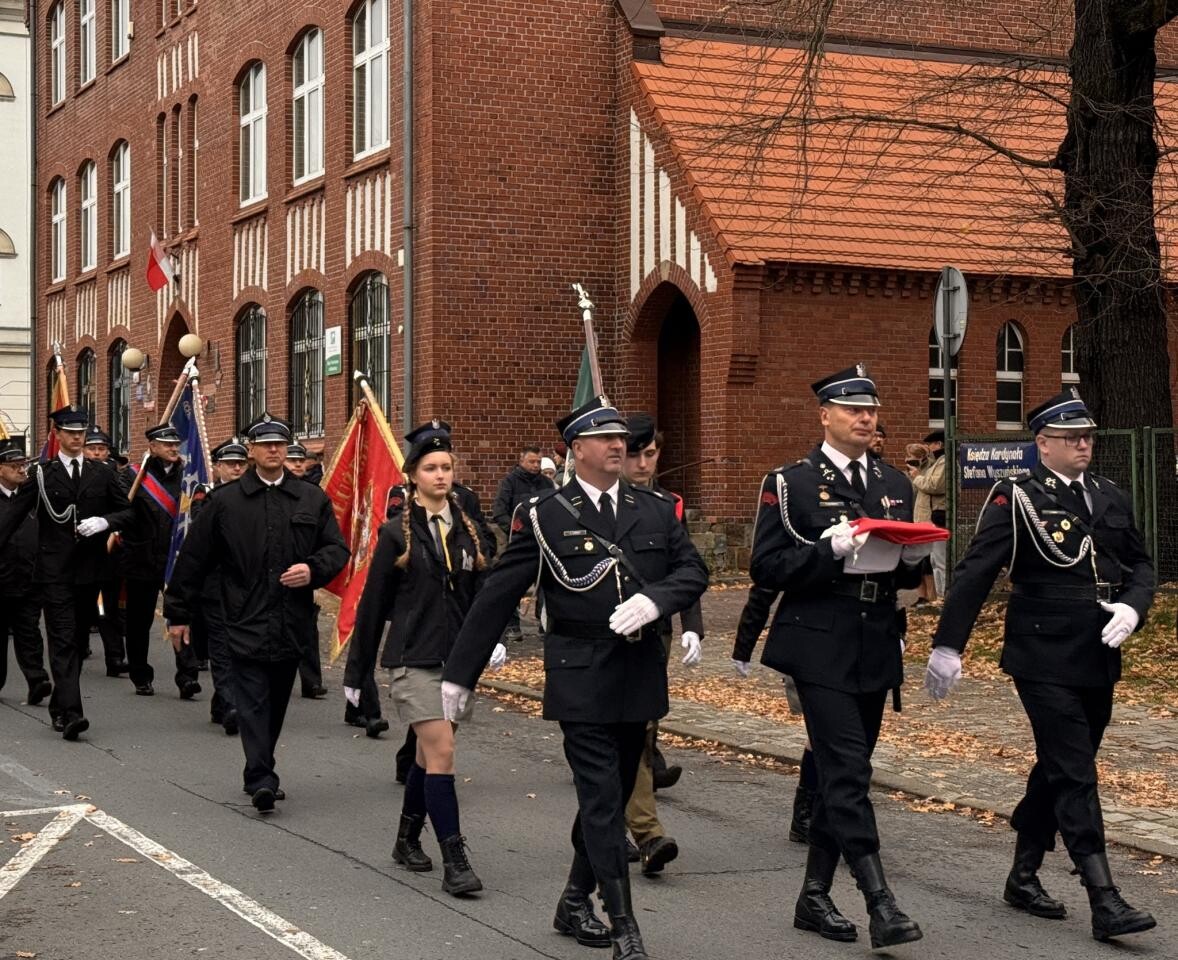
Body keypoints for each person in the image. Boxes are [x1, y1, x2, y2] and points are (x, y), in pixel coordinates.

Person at [441, 395, 709, 960]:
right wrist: (460, 675)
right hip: (580, 673)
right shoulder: (544, 514)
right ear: (576, 449)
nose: (619, 446)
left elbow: (692, 571)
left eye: (623, 439)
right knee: (601, 797)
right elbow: (498, 594)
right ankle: (624, 927)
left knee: (606, 796)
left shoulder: (655, 509)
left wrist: (656, 603)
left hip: (638, 674)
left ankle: (571, 899)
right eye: (605, 438)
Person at [926, 388, 1156, 943]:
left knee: (1061, 764)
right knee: (1075, 769)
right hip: (1042, 654)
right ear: (1043, 444)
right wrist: (948, 644)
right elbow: (978, 570)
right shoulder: (1019, 497)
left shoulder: (1107, 494)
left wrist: (1133, 607)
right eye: (1071, 437)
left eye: (1088, 436)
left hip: (1098, 651)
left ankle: (1023, 873)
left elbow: (1142, 564)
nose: (1083, 444)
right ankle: (1104, 897)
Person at [749, 364, 926, 949]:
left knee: (836, 772)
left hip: (874, 638)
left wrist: (911, 560)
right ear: (824, 415)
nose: (864, 418)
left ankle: (814, 895)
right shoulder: (792, 482)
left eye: (870, 409)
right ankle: (880, 900)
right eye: (852, 409)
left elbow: (909, 564)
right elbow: (768, 568)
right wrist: (831, 550)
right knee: (849, 769)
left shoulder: (895, 483)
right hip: (817, 638)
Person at [344, 419, 502, 896]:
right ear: (413, 474)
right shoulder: (396, 534)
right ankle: (455, 858)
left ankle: (406, 837)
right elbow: (371, 605)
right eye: (431, 467)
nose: (440, 475)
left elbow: (482, 593)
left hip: (457, 661)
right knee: (444, 753)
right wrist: (357, 673)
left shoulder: (469, 530)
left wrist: (492, 638)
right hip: (413, 658)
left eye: (447, 467)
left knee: (426, 754)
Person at [163, 414, 349, 813]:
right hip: (240, 618)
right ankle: (262, 776)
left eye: (279, 444)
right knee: (251, 700)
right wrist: (177, 613)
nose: (273, 450)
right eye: (265, 444)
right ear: (251, 451)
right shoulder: (224, 503)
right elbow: (192, 561)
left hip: (291, 619)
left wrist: (313, 569)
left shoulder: (310, 499)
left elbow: (336, 549)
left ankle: (259, 766)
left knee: (277, 700)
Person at [0, 406, 134, 740]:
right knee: (61, 639)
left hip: (91, 571)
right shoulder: (42, 474)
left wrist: (106, 522)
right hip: (54, 571)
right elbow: (12, 518)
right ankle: (73, 714)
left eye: (81, 433)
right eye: (70, 433)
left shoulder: (101, 473)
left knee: (75, 639)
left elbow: (128, 512)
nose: (77, 438)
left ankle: (59, 706)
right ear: (57, 435)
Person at [619, 413, 704, 877]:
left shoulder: (666, 505)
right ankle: (643, 831)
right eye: (637, 453)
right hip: (605, 635)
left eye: (652, 454)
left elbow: (685, 568)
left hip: (654, 633)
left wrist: (692, 624)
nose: (645, 462)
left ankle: (628, 826)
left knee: (643, 728)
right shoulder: (590, 505)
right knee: (614, 734)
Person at [731, 583, 819, 846]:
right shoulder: (803, 540)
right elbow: (767, 583)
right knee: (821, 730)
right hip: (809, 639)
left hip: (860, 640)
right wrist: (744, 643)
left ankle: (824, 811)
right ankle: (808, 812)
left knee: (849, 735)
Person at [120, 424, 201, 698]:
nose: (173, 448)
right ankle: (140, 675)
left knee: (180, 616)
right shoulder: (133, 476)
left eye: (175, 444)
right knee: (138, 622)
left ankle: (187, 676)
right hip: (141, 559)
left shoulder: (188, 476)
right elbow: (122, 512)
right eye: (167, 444)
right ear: (152, 447)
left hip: (176, 560)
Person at [187, 438, 249, 735]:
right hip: (214, 586)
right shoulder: (207, 494)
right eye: (231, 463)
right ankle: (231, 704)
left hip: (245, 586)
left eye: (241, 463)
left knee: (240, 647)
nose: (237, 468)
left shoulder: (254, 495)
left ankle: (220, 702)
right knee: (222, 648)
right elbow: (200, 529)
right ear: (218, 466)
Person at [0, 438, 52, 706]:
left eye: (24, 465)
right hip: (1, 579)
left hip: (29, 578)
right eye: (15, 466)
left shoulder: (33, 497)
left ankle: (37, 680)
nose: (22, 470)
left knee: (29, 632)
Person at [491, 444, 555, 640]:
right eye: (531, 462)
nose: (535, 465)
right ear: (521, 461)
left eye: (538, 461)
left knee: (547, 583)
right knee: (512, 583)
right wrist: (515, 529)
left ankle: (545, 625)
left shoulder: (546, 483)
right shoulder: (509, 482)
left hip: (543, 539)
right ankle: (512, 626)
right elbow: (499, 511)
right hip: (516, 539)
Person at [82, 425, 129, 676]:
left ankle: (115, 658)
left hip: (110, 547)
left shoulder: (117, 476)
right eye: (93, 448)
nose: (98, 453)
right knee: (81, 606)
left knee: (109, 608)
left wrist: (110, 524)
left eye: (101, 449)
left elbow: (125, 510)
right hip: (79, 551)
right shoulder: (75, 475)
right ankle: (78, 649)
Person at [284, 441, 328, 699]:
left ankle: (311, 681)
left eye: (301, 460)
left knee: (307, 628)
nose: (299, 464)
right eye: (293, 460)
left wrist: (316, 566)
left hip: (304, 571)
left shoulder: (313, 493)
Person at [913, 430, 948, 598]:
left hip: (938, 516)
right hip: (930, 517)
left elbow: (934, 485)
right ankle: (939, 595)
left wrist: (917, 477)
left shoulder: (944, 462)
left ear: (939, 444)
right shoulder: (935, 462)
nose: (929, 447)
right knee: (933, 561)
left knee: (940, 560)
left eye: (931, 444)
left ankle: (943, 595)